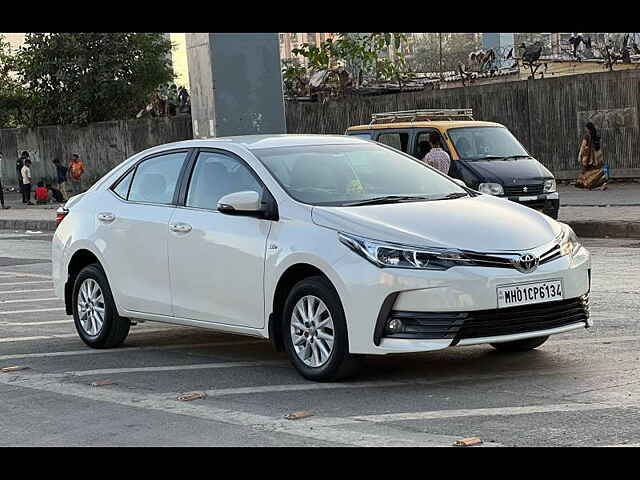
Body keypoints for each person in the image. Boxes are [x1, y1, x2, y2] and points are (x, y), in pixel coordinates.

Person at [575, 122, 605, 190]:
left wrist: (580, 155)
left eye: (586, 128)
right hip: (596, 157)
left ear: (589, 129)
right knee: (596, 171)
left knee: (586, 170)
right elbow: (599, 147)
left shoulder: (587, 136)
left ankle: (586, 183)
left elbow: (583, 146)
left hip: (589, 157)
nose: (585, 129)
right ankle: (600, 183)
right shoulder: (596, 136)